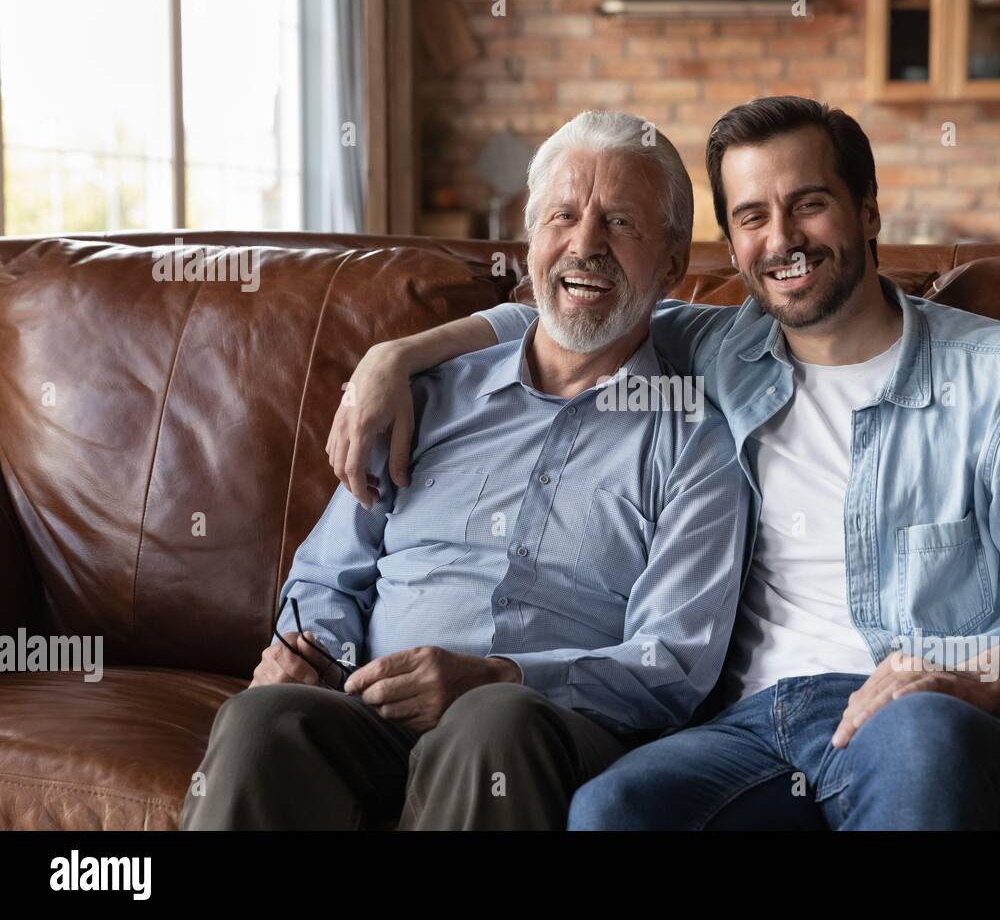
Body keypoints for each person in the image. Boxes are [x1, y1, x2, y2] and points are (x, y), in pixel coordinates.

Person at [327, 96, 1000, 830]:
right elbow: (565, 308)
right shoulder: (721, 345)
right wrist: (395, 357)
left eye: (809, 205)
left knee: (921, 740)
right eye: (752, 216)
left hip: (950, 717)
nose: (782, 239)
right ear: (729, 242)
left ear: (867, 212)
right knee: (613, 807)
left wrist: (967, 678)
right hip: (751, 727)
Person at [181, 110, 749, 830]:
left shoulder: (698, 443)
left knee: (494, 723)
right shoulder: (426, 397)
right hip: (372, 707)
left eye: (621, 224)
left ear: (671, 262)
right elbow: (329, 576)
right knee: (267, 720)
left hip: (546, 727)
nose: (585, 245)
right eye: (563, 216)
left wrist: (498, 676)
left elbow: (670, 664)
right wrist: (313, 651)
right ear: (530, 238)